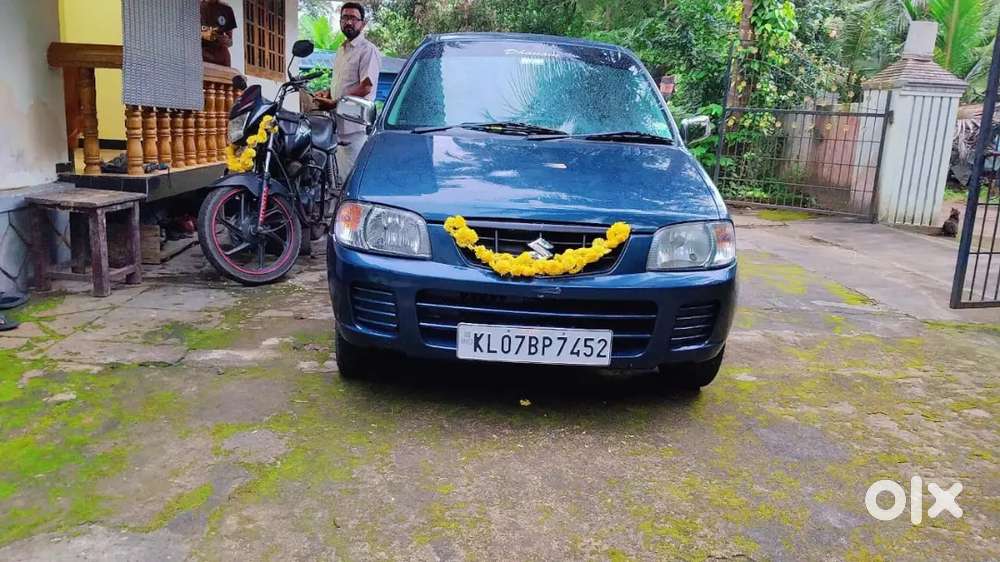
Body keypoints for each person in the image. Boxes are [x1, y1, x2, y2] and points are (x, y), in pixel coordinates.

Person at [313, 2, 381, 184]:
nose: (348, 22)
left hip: (355, 129)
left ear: (362, 23)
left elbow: (366, 86)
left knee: (353, 182)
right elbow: (342, 84)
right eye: (344, 18)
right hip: (338, 127)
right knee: (339, 181)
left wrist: (336, 102)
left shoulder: (368, 50)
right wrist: (327, 93)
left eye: (353, 18)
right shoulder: (341, 51)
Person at [200, 0, 237, 66]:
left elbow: (230, 42)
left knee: (225, 54)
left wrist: (226, 41)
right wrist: (217, 37)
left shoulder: (227, 9)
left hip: (221, 55)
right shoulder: (197, 7)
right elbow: (199, 32)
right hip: (202, 52)